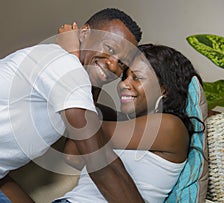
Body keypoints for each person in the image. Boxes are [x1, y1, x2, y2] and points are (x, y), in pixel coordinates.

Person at [0, 8, 142, 203]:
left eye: (122, 63)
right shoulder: (62, 64)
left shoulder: (68, 80)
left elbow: (76, 139)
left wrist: (76, 54)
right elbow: (101, 163)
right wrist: (72, 57)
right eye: (109, 49)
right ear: (85, 33)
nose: (113, 65)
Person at [54, 44, 205, 203]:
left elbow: (82, 127)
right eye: (124, 77)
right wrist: (97, 78)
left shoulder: (168, 126)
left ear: (164, 90)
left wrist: (74, 59)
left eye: (137, 78)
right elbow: (72, 154)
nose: (123, 84)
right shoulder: (123, 123)